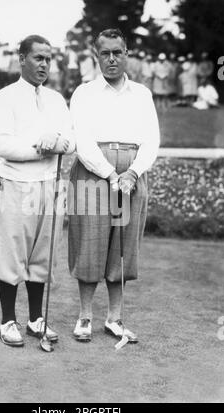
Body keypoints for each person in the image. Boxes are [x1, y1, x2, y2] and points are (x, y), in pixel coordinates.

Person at [68, 29, 160, 343]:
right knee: (90, 244)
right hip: (94, 172)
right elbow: (81, 141)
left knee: (123, 248)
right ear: (96, 55)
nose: (111, 59)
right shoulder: (84, 93)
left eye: (117, 52)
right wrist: (110, 174)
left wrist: (133, 173)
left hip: (132, 174)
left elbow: (152, 140)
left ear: (126, 53)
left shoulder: (142, 94)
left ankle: (115, 318)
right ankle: (84, 317)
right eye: (105, 53)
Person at [0, 34, 74, 347]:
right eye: (38, 58)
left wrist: (60, 141)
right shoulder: (5, 97)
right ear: (21, 58)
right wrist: (42, 146)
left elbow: (71, 138)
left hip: (49, 184)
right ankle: (7, 320)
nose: (44, 65)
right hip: (15, 183)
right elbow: (4, 145)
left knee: (43, 254)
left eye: (48, 59)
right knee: (11, 253)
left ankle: (36, 319)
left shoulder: (55, 99)